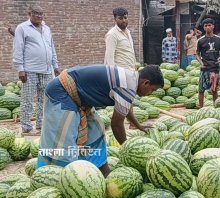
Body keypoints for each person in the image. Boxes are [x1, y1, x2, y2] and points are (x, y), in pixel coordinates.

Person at [37, 64, 164, 177]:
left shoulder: (131, 79)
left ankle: (100, 170)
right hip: (62, 91)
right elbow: (116, 124)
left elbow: (126, 108)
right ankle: (54, 176)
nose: (150, 93)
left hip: (78, 97)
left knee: (96, 130)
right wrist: (129, 150)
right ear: (145, 83)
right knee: (63, 138)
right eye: (152, 90)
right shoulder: (128, 87)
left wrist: (138, 125)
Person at [12, 5, 60, 134]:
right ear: (29, 13)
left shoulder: (47, 29)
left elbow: (52, 48)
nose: (39, 15)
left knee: (44, 99)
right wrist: (20, 69)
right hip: (29, 70)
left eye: (41, 13)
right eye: (35, 13)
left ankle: (41, 124)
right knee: (27, 99)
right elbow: (18, 49)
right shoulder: (22, 28)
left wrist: (55, 66)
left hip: (46, 70)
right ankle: (26, 127)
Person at [196, 18, 220, 108]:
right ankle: (201, 109)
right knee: (201, 90)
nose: (208, 27)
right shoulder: (200, 40)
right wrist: (201, 62)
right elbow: (197, 53)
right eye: (205, 26)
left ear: (213, 26)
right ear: (204, 28)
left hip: (215, 68)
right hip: (204, 68)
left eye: (209, 25)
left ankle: (215, 108)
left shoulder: (218, 39)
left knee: (214, 90)